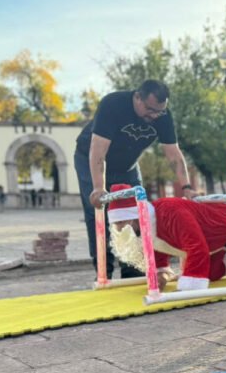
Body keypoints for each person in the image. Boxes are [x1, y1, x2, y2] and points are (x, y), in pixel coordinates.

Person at [74, 79, 194, 279]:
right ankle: (104, 272)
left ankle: (133, 268)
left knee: (137, 213)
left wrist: (187, 187)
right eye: (150, 110)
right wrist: (98, 188)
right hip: (91, 160)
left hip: (127, 166)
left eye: (159, 111)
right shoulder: (113, 104)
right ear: (137, 97)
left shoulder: (163, 116)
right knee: (98, 212)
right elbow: (98, 149)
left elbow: (173, 154)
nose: (154, 115)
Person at [106, 184, 226, 292]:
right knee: (207, 272)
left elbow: (197, 247)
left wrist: (189, 286)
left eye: (119, 223)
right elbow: (159, 248)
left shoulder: (170, 213)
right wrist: (161, 273)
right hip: (216, 239)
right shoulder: (148, 224)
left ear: (131, 217)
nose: (118, 228)